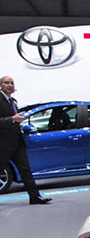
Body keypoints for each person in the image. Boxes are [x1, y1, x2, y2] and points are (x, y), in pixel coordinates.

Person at [0, 75, 51, 204]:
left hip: (17, 141)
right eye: (6, 83)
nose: (10, 85)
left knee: (25, 169)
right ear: (1, 85)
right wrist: (12, 119)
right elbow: (9, 120)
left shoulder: (13, 101)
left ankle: (35, 197)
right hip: (3, 143)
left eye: (12, 83)